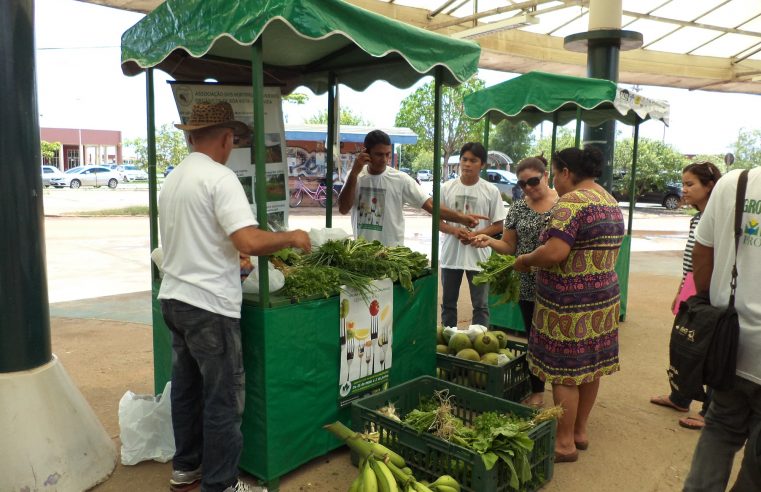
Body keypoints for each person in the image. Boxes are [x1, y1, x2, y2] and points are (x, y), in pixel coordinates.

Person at [159, 101, 311, 492]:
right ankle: (222, 483)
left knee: (188, 389)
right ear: (227, 138)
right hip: (210, 306)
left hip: (175, 298)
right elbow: (248, 239)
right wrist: (291, 238)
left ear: (191, 137)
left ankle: (185, 467)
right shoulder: (220, 178)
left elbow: (205, 240)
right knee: (223, 398)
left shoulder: (175, 177)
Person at [512, 147, 624, 463]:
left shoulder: (571, 203)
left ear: (563, 172)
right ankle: (579, 431)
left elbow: (554, 252)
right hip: (603, 298)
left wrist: (525, 260)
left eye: (555, 175)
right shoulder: (608, 200)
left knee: (564, 373)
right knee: (589, 369)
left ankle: (563, 444)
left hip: (569, 301)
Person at [683, 167, 761, 491]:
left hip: (730, 343)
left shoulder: (736, 182)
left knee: (720, 427)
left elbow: (702, 253)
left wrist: (711, 304)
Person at [472, 155, 558, 407]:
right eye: (523, 184)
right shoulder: (519, 208)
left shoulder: (564, 205)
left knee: (561, 339)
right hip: (529, 285)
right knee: (535, 337)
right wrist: (489, 241)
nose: (529, 187)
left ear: (546, 176)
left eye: (533, 181)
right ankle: (538, 389)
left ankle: (566, 387)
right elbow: (509, 246)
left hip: (561, 284)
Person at [650, 162, 721, 430]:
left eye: (691, 184)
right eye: (684, 183)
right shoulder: (697, 219)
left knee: (711, 350)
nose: (684, 190)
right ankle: (680, 396)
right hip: (693, 288)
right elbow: (692, 262)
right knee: (683, 343)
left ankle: (709, 411)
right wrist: (682, 290)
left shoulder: (719, 219)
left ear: (710, 186)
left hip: (712, 294)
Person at [337, 130, 486, 247]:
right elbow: (343, 208)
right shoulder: (355, 176)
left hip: (392, 253)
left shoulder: (400, 179)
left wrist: (461, 218)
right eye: (379, 154)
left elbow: (430, 205)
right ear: (366, 153)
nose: (384, 159)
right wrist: (355, 172)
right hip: (361, 251)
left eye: (387, 154)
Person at [439, 142, 507, 328]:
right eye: (464, 159)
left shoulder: (490, 191)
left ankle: (481, 343)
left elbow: (498, 225)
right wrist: (454, 230)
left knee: (481, 306)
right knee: (448, 305)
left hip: (479, 257)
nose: (467, 164)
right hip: (450, 256)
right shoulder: (446, 188)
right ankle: (448, 341)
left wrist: (476, 235)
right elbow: (438, 220)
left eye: (473, 160)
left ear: (482, 164)